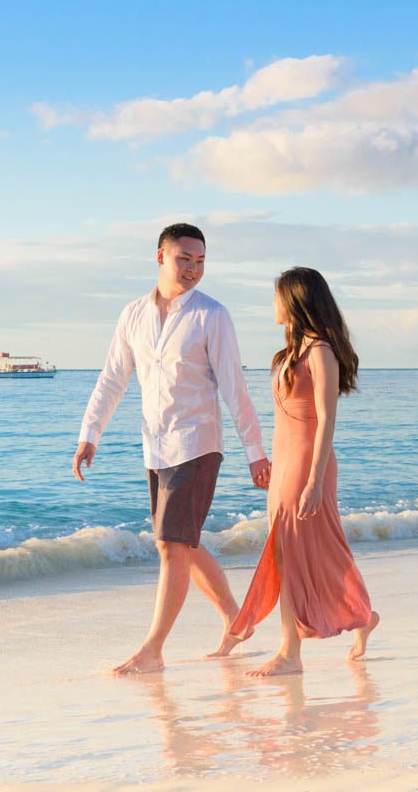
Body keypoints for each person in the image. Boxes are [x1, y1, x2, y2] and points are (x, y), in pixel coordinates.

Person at [72, 223, 271, 675]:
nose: (193, 269)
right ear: (160, 257)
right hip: (155, 446)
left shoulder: (212, 315)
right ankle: (238, 622)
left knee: (171, 545)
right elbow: (113, 378)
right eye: (184, 259)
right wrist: (90, 434)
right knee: (183, 542)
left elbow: (235, 389)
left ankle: (153, 650)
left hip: (198, 444)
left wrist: (255, 452)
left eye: (200, 261)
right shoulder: (132, 315)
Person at [212, 266, 380, 676]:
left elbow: (326, 421)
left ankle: (290, 653)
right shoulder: (291, 352)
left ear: (295, 300)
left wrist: (314, 480)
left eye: (276, 296)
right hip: (285, 463)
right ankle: (363, 616)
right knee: (307, 551)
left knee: (290, 552)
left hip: (308, 463)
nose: (272, 304)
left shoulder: (320, 351)